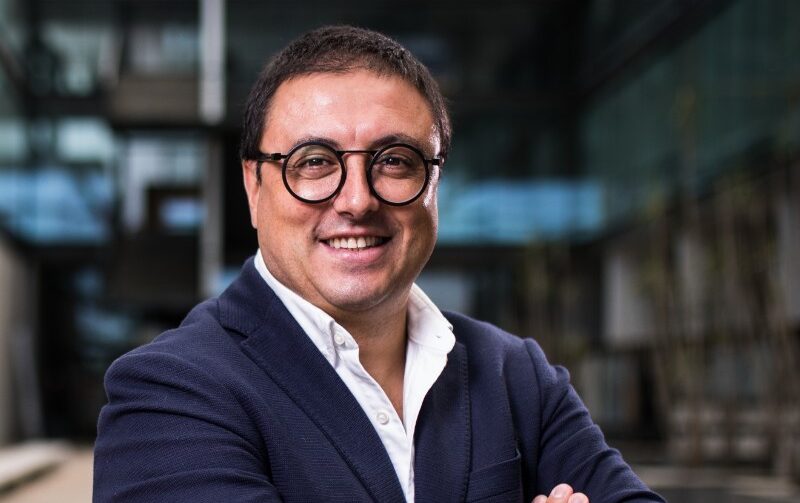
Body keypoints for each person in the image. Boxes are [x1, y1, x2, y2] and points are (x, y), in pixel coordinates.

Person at [93, 26, 664, 503]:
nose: (357, 200)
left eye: (394, 161)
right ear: (254, 186)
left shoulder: (516, 375)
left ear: (435, 182)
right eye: (314, 162)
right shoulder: (169, 392)